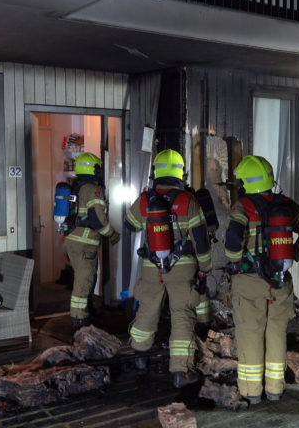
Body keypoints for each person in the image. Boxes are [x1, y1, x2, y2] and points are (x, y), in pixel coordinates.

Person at [224, 155, 299, 405]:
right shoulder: (286, 203)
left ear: (245, 182)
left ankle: (251, 392)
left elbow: (234, 237)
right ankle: (275, 389)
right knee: (276, 333)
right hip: (280, 281)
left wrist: (235, 260)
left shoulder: (242, 206)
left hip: (248, 281)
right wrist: (295, 255)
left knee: (250, 334)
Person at [124, 149, 212, 388]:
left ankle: (140, 357)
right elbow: (201, 239)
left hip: (152, 267)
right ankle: (180, 373)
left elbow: (129, 225)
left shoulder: (145, 199)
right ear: (180, 173)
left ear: (156, 172)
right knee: (182, 315)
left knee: (148, 309)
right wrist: (205, 266)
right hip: (182, 268)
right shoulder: (188, 201)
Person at [63, 152, 120, 330]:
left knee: (89, 276)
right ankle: (79, 318)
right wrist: (112, 234)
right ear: (92, 168)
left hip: (76, 240)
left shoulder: (77, 186)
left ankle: (88, 308)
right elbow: (98, 219)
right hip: (84, 242)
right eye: (98, 168)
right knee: (84, 278)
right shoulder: (92, 189)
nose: (100, 172)